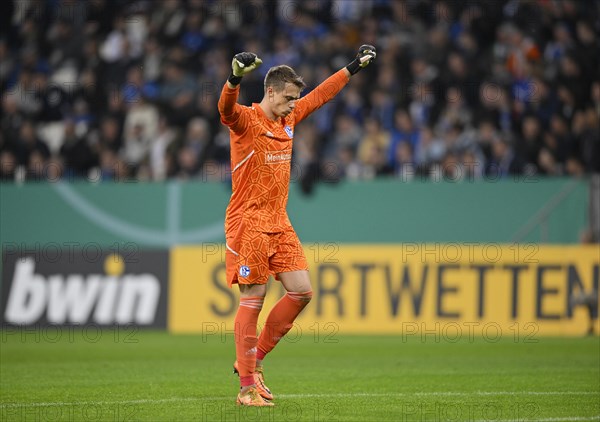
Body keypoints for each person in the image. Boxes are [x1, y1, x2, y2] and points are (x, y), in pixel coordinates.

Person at [217, 45, 376, 406]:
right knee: (253, 298)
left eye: (295, 99)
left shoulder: (288, 119)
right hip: (249, 223)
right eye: (288, 98)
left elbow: (321, 95)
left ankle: (254, 362)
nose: (294, 104)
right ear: (270, 92)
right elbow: (225, 110)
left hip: (279, 221)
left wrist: (352, 67)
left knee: (302, 291)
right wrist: (234, 79)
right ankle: (245, 387)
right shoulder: (246, 120)